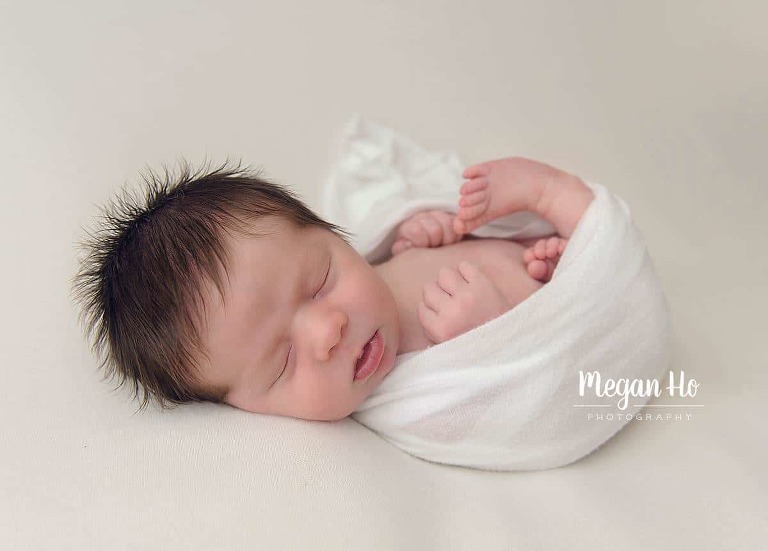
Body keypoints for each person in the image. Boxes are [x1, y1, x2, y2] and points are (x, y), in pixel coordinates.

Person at [74, 157, 593, 421]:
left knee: (545, 216)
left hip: (531, 243)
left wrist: (422, 233)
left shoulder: (377, 263)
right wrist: (490, 335)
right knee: (586, 234)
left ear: (333, 236)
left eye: (319, 283)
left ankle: (550, 206)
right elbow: (536, 403)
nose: (328, 332)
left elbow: (382, 250)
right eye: (282, 363)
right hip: (564, 303)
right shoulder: (415, 399)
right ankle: (557, 199)